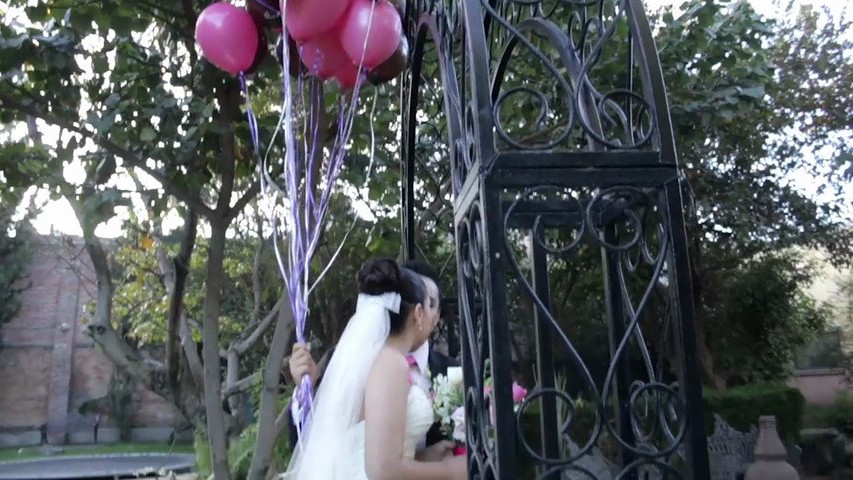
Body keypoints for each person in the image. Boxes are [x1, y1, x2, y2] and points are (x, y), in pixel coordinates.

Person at [284, 259, 467, 480]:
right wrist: (452, 471)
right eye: (428, 306)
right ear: (418, 313)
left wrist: (427, 455)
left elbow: (366, 451)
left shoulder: (368, 360)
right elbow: (383, 471)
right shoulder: (392, 364)